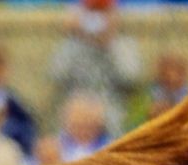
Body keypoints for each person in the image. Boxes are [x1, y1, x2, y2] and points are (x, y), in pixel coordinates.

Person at [49, 0, 142, 132]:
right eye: (92, 12)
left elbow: (131, 78)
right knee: (73, 111)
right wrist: (75, 35)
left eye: (102, 12)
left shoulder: (124, 44)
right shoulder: (73, 42)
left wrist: (109, 43)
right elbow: (57, 75)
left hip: (110, 110)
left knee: (112, 116)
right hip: (77, 105)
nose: (97, 18)